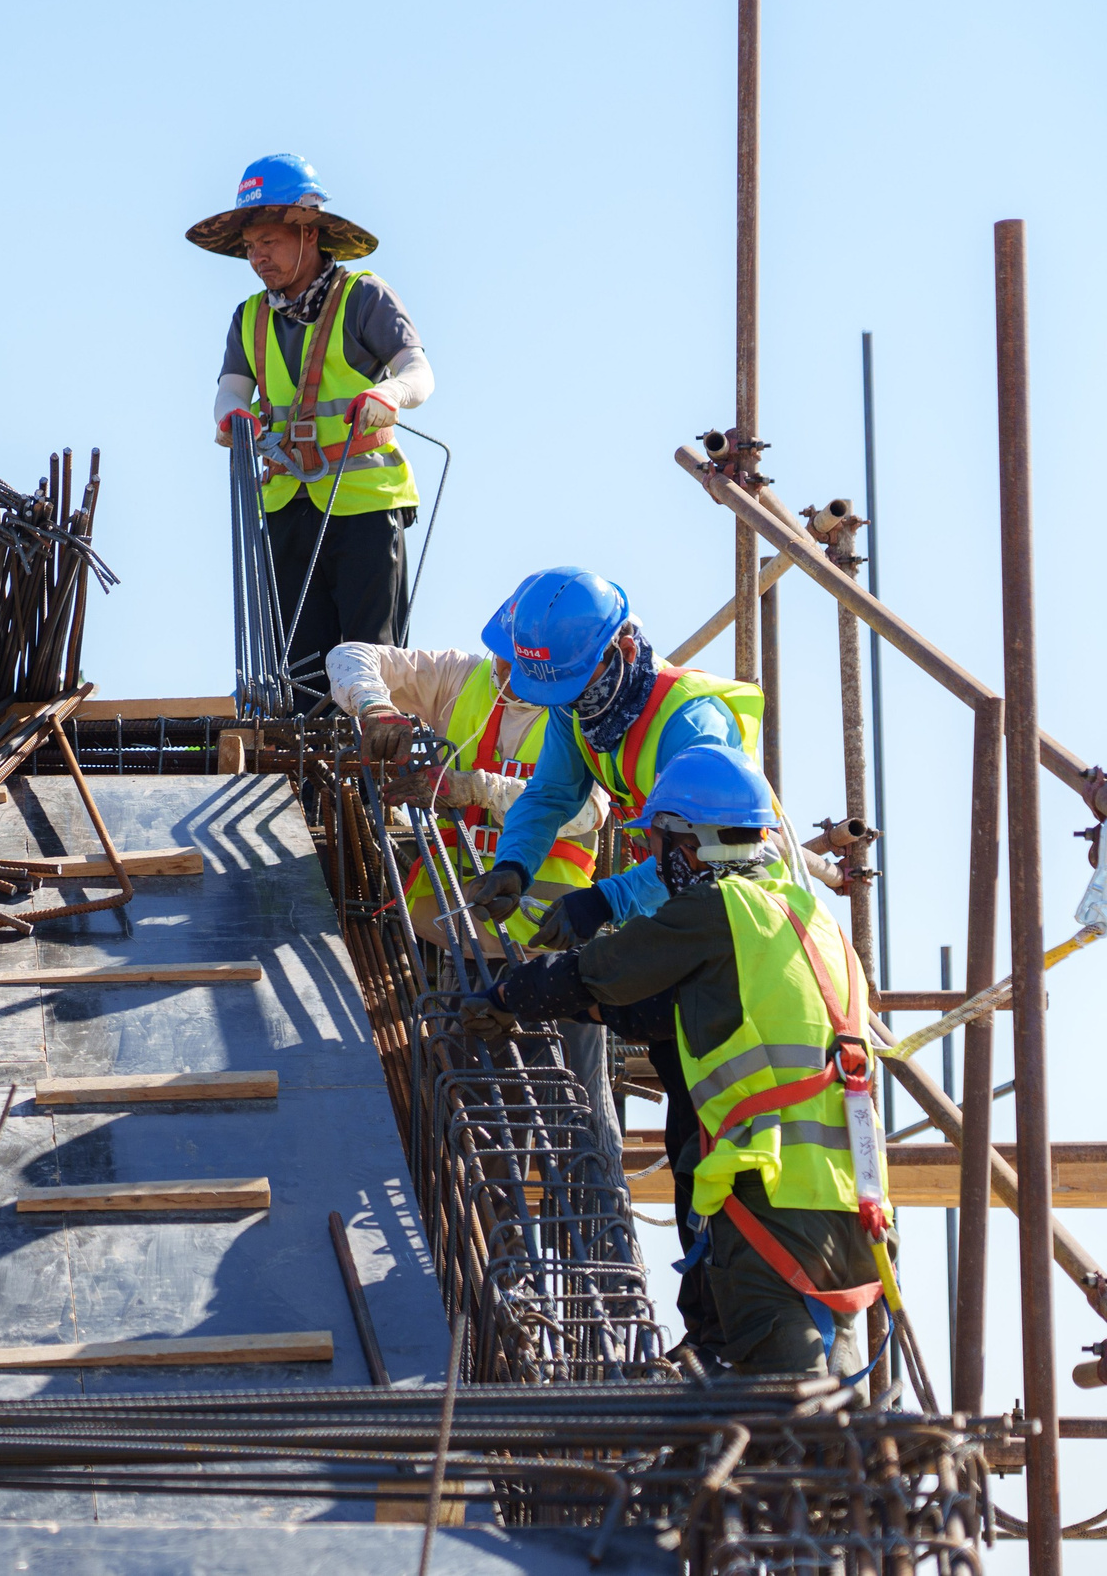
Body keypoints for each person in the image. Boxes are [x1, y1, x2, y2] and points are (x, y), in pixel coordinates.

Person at [461, 746, 887, 1377]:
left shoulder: (719, 911)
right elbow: (659, 1009)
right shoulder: (805, 917)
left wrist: (506, 996)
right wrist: (575, 1005)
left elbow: (602, 972)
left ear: (691, 844)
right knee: (818, 1394)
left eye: (659, 847)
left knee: (791, 1420)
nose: (654, 863)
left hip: (770, 1196)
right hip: (855, 1206)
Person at [189, 155, 433, 701]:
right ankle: (314, 784)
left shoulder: (364, 297)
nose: (256, 257)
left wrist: (389, 393)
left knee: (374, 664)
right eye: (250, 246)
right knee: (299, 674)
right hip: (285, 507)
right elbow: (231, 389)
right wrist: (230, 415)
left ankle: (376, 776)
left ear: (308, 230)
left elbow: (419, 371)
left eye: (268, 242)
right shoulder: (249, 317)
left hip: (366, 506)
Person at [462, 568, 766, 948]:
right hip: (673, 898)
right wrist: (513, 865)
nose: (565, 703)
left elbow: (705, 853)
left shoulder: (691, 724)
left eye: (573, 685)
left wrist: (605, 901)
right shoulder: (575, 708)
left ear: (625, 652)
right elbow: (550, 796)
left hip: (743, 908)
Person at [326, 640, 604, 952]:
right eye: (508, 658)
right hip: (454, 926)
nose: (512, 673)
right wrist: (374, 703)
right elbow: (346, 656)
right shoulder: (460, 677)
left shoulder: (588, 706)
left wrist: (479, 789)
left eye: (528, 667)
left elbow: (588, 813)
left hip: (546, 933)